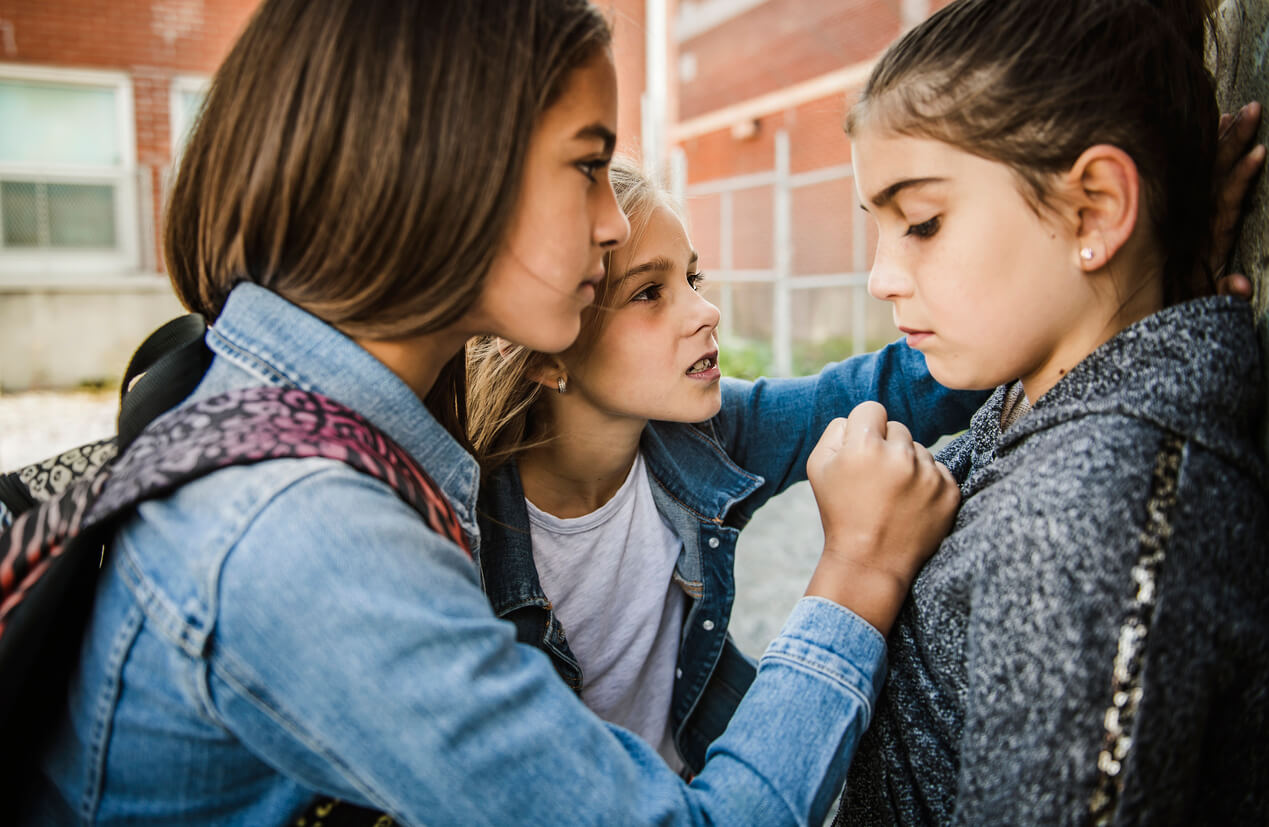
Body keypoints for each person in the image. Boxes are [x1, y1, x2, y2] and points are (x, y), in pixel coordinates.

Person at [24, 1, 962, 824]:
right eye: (588, 166)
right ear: (448, 169)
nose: (608, 220)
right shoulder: (307, 534)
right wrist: (859, 569)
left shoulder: (339, 426)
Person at [829, 0, 1269, 824]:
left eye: (920, 222)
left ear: (1095, 206)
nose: (880, 276)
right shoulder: (1042, 402)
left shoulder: (1087, 525)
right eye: (878, 228)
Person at [465, 156, 986, 775]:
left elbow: (879, 387)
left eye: (693, 278)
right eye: (648, 292)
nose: (705, 311)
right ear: (545, 352)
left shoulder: (703, 433)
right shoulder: (464, 529)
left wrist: (1029, 324)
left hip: (691, 776)